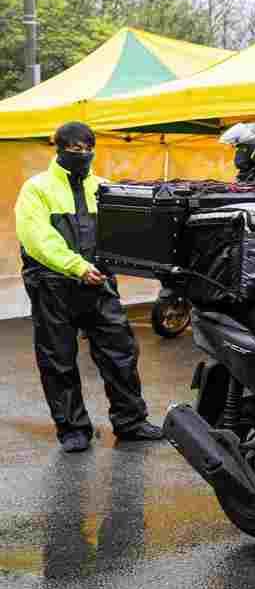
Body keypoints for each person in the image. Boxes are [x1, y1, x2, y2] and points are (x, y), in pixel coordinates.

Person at [15, 122, 164, 452]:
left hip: (98, 285)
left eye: (88, 148)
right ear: (59, 148)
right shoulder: (36, 189)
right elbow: (38, 239)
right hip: (53, 286)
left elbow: (123, 236)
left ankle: (131, 422)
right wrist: (77, 266)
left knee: (121, 354)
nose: (82, 154)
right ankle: (73, 429)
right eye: (75, 148)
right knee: (59, 360)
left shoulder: (104, 189)